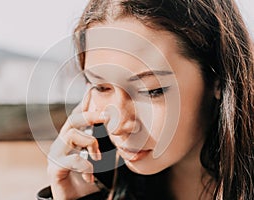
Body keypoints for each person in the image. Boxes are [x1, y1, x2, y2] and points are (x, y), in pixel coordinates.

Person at [37, 0, 254, 199]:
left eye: (151, 91)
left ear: (218, 78)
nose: (119, 125)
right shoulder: (103, 185)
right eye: (101, 87)